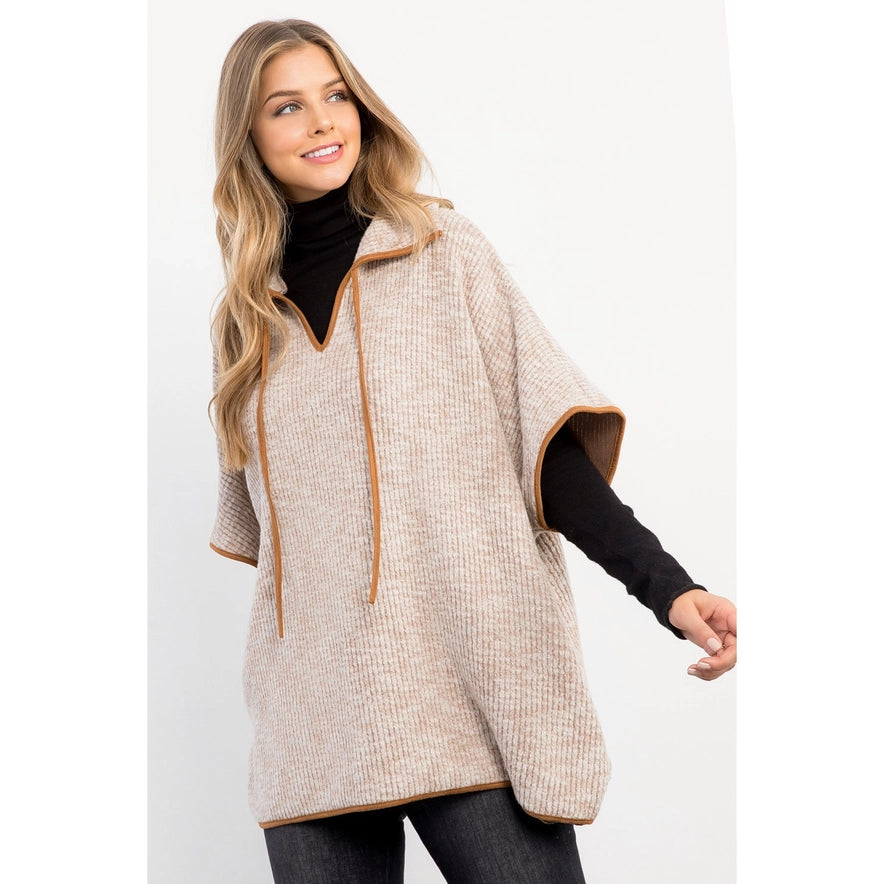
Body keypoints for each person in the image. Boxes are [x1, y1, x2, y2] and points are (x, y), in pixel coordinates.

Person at [209, 18, 736, 884]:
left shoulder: (445, 253)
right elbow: (278, 547)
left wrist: (669, 589)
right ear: (249, 137)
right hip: (311, 722)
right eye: (287, 106)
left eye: (336, 95)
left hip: (463, 689)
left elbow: (546, 453)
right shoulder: (243, 322)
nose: (323, 120)